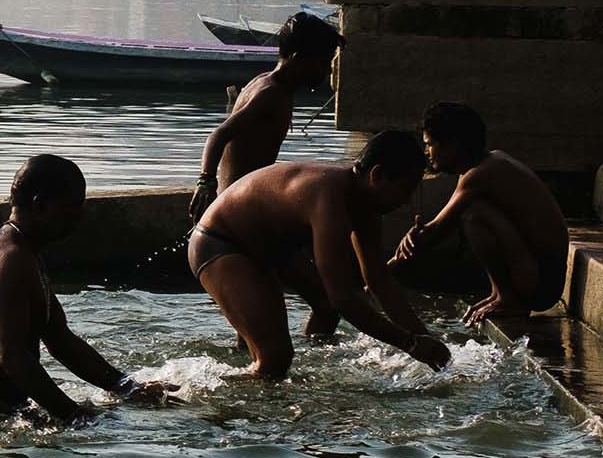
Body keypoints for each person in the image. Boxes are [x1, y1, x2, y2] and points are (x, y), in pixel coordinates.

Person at [189, 132, 452, 379]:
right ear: (378, 175)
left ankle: (311, 367)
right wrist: (409, 343)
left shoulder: (368, 207)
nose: (406, 202)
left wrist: (425, 341)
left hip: (271, 250)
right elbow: (343, 298)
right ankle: (172, 390)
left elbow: (378, 281)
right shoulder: (329, 198)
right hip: (221, 244)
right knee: (275, 361)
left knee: (324, 309)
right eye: (405, 190)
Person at [0, 155, 170, 421]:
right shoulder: (10, 260)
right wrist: (75, 416)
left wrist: (126, 387)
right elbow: (13, 358)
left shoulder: (24, 250)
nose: (80, 216)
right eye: (73, 206)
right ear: (41, 205)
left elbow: (60, 339)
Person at [392, 102, 570, 324]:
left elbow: (436, 231)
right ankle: (500, 294)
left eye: (430, 145)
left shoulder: (482, 173)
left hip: (541, 285)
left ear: (453, 144)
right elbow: (437, 229)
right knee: (474, 211)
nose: (427, 152)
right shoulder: (485, 165)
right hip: (537, 278)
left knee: (474, 213)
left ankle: (506, 297)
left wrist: (380, 273)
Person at [188, 11, 343, 221]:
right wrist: (205, 182)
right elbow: (219, 134)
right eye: (323, 62)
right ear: (298, 59)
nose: (327, 71)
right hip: (237, 210)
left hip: (242, 201)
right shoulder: (271, 94)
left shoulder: (264, 81)